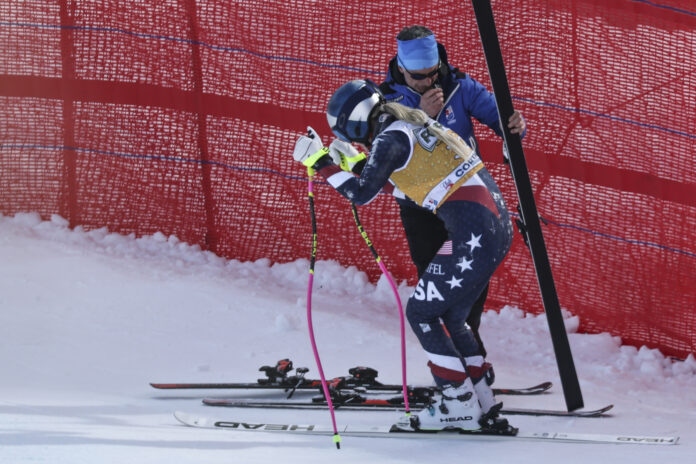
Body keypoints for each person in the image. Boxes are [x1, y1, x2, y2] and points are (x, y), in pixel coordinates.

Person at [291, 79, 514, 432]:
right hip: (493, 228)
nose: (352, 142)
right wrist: (355, 165)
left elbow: (362, 195)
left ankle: (458, 402)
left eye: (348, 135)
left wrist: (320, 162)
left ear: (355, 123)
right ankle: (481, 397)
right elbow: (413, 189)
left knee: (421, 312)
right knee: (453, 316)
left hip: (474, 233)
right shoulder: (407, 124)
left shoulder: (390, 139)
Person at [379, 25, 526, 360]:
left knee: (471, 286)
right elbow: (385, 154)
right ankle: (455, 365)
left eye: (433, 73)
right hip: (422, 207)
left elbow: (500, 117)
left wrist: (514, 125)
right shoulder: (387, 100)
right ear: (401, 68)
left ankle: (469, 362)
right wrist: (422, 116)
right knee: (439, 288)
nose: (428, 82)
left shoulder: (458, 85)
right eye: (418, 76)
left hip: (468, 203)